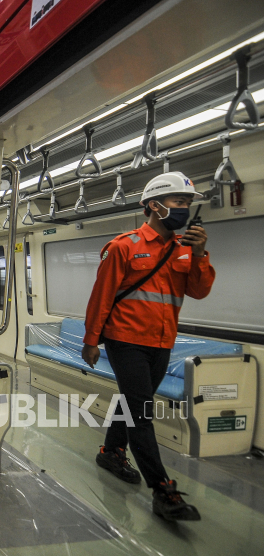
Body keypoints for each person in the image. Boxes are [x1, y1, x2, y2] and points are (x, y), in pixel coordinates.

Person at [81, 172, 214, 521]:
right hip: (125, 341)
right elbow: (102, 297)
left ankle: (111, 452)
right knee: (142, 415)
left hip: (162, 341)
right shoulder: (124, 246)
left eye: (187, 203)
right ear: (155, 206)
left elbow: (199, 291)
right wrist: (91, 341)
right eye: (178, 202)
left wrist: (200, 255)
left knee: (132, 402)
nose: (185, 208)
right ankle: (163, 490)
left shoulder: (185, 250)